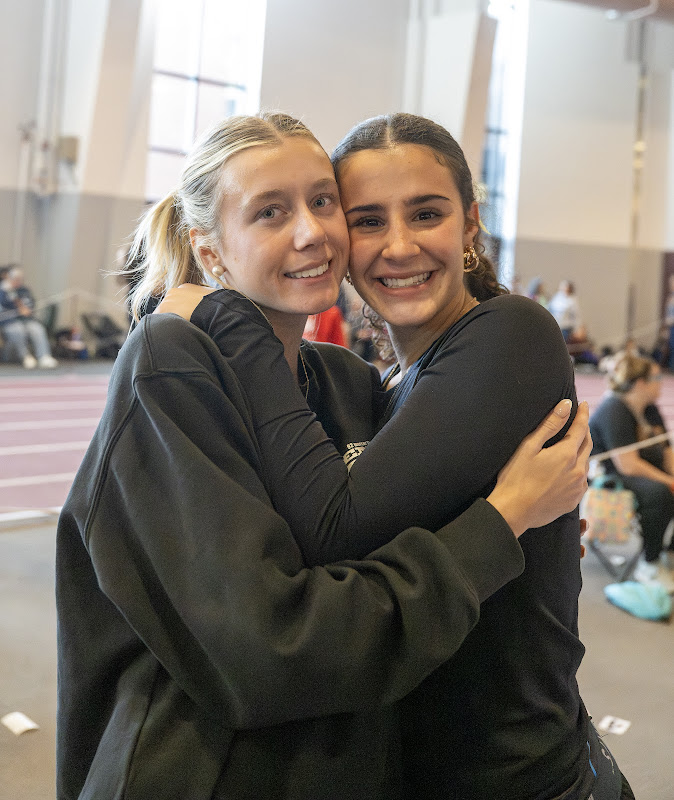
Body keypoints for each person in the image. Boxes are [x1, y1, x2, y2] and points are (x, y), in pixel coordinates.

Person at [56, 112, 591, 800]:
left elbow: (358, 549)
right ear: (209, 252)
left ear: (470, 224)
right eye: (270, 212)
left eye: (322, 202)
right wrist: (505, 518)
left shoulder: (350, 383)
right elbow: (271, 647)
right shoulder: (171, 362)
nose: (310, 231)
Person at [590, 350, 674, 589]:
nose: (662, 383)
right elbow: (627, 464)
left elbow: (667, 452)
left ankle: (669, 552)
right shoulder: (614, 409)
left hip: (643, 471)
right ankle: (649, 562)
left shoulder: (650, 409)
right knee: (659, 493)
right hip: (613, 476)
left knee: (664, 486)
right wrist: (669, 481)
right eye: (657, 378)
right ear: (640, 383)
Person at [0, 265, 58, 368]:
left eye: (20, 278)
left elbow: (30, 305)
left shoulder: (24, 290)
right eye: (15, 278)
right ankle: (25, 356)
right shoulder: (3, 291)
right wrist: (10, 293)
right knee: (18, 330)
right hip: (9, 322)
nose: (18, 281)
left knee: (37, 329)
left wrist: (24, 309)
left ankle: (44, 356)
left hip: (26, 320)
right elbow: (5, 305)